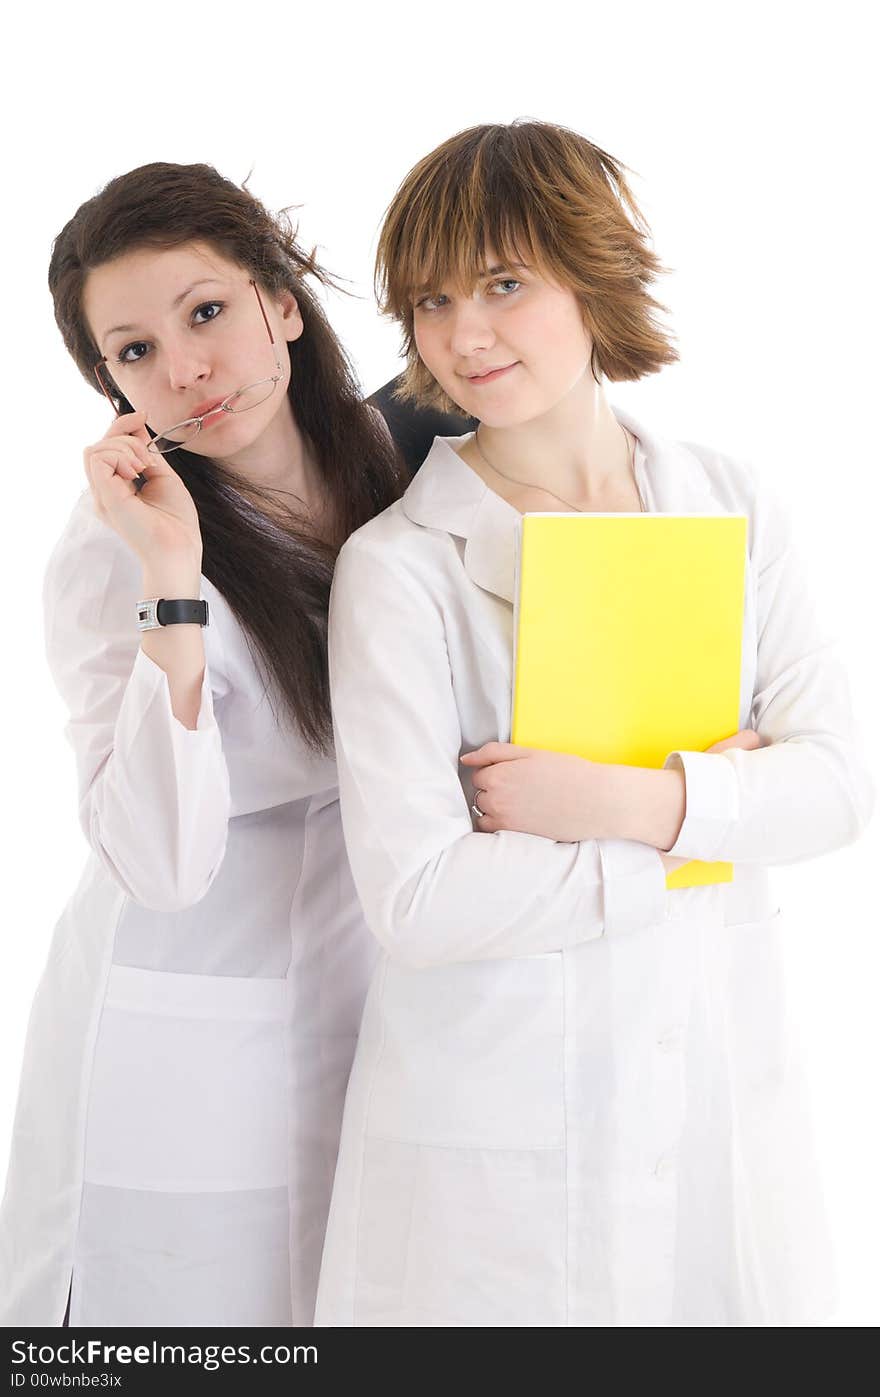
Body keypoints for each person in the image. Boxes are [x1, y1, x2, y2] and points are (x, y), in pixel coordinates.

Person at [315, 121, 875, 1327]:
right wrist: (712, 829)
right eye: (430, 300)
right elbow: (417, 901)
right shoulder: (401, 567)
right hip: (492, 1131)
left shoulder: (728, 501)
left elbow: (837, 786)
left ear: (593, 271)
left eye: (505, 283)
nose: (464, 335)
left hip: (712, 1094)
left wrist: (615, 805)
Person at [0, 161, 467, 1327]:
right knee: (178, 1319)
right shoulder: (117, 543)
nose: (187, 369)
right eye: (135, 351)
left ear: (283, 305)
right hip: (185, 1002)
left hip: (379, 985)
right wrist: (174, 583)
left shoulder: (413, 469)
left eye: (204, 311)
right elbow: (159, 864)